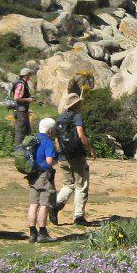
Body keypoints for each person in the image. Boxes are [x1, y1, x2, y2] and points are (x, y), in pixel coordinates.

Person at [53, 92, 94, 227]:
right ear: (76, 105)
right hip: (77, 157)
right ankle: (78, 216)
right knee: (81, 185)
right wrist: (90, 149)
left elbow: (57, 140)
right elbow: (81, 135)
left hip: (63, 157)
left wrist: (60, 154)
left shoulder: (60, 118)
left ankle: (55, 206)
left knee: (68, 185)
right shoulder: (76, 117)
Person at [25, 115, 57, 243]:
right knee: (44, 204)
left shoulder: (33, 139)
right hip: (43, 175)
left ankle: (32, 233)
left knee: (33, 204)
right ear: (50, 130)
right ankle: (43, 234)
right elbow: (49, 161)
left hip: (32, 175)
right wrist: (54, 161)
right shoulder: (48, 142)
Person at [8, 67, 34, 150]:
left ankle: (26, 151)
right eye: (29, 75)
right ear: (26, 75)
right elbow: (17, 98)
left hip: (21, 110)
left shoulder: (21, 83)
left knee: (27, 131)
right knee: (21, 131)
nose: (30, 76)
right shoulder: (21, 84)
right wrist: (28, 100)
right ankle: (18, 151)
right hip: (21, 111)